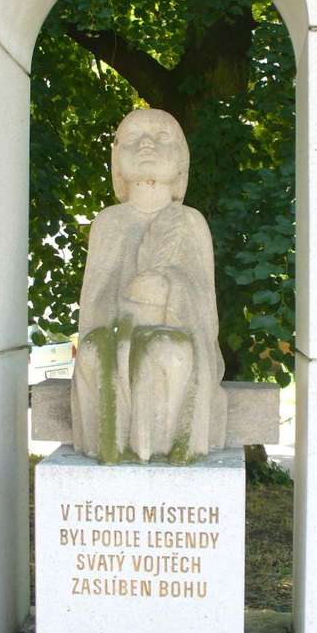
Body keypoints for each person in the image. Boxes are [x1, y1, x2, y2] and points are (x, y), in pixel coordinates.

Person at [70, 108, 226, 463]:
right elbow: (93, 299)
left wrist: (169, 288)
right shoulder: (108, 223)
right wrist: (124, 309)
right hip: (116, 332)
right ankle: (112, 445)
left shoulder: (190, 222)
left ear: (181, 160)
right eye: (133, 137)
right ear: (117, 161)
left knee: (167, 352)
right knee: (95, 353)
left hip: (176, 334)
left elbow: (204, 303)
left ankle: (159, 444)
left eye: (161, 137)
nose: (146, 145)